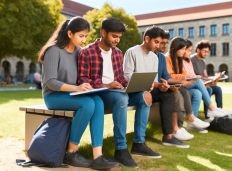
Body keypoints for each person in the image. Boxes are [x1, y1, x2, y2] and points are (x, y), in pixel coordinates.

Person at [78, 17, 159, 168]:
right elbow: (82, 80)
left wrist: (134, 84)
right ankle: (121, 149)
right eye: (114, 36)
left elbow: (121, 77)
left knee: (145, 96)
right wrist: (105, 84)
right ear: (103, 32)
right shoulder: (87, 52)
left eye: (119, 37)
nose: (117, 40)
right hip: (100, 93)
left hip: (117, 92)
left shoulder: (118, 53)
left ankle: (139, 143)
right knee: (121, 98)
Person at [38, 16, 118, 170]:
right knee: (88, 104)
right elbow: (51, 82)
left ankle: (98, 156)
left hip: (74, 94)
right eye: (81, 36)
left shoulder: (80, 52)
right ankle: (71, 151)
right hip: (53, 96)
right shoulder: (53, 51)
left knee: (98, 102)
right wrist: (76, 88)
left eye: (86, 36)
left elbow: (82, 78)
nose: (84, 39)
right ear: (69, 34)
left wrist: (87, 85)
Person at [165, 37, 229, 133]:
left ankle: (192, 124)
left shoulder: (184, 60)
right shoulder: (170, 58)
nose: (188, 53)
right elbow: (173, 75)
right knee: (198, 82)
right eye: (186, 50)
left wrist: (198, 78)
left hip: (185, 82)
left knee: (198, 93)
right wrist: (186, 78)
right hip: (179, 84)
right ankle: (211, 109)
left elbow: (184, 74)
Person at [154, 30, 197, 142]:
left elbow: (170, 76)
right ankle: (176, 128)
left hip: (165, 84)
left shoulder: (164, 58)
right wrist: (180, 81)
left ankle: (178, 127)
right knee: (178, 94)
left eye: (165, 43)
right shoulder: (165, 57)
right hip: (154, 87)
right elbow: (169, 76)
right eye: (182, 49)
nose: (164, 45)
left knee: (184, 92)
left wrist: (179, 82)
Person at [191, 40, 232, 122]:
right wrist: (207, 79)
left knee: (218, 89)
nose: (206, 53)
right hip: (195, 84)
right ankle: (208, 116)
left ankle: (218, 112)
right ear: (198, 50)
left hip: (203, 83)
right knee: (209, 89)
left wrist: (215, 77)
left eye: (207, 52)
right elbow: (192, 76)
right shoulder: (191, 59)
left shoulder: (202, 61)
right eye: (204, 51)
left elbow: (205, 76)